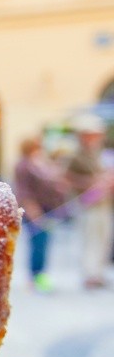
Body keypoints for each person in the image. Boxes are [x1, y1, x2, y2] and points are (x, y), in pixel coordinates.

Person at [12, 134, 69, 293]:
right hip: (35, 212)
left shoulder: (38, 164)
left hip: (47, 210)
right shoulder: (23, 166)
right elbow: (24, 193)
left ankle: (40, 275)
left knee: (44, 243)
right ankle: (36, 276)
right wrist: (34, 212)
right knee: (37, 243)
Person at [65, 113, 114, 289]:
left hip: (104, 203)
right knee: (90, 238)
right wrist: (90, 183)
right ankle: (90, 274)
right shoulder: (76, 156)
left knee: (104, 238)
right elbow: (68, 178)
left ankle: (98, 273)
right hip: (88, 204)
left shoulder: (101, 154)